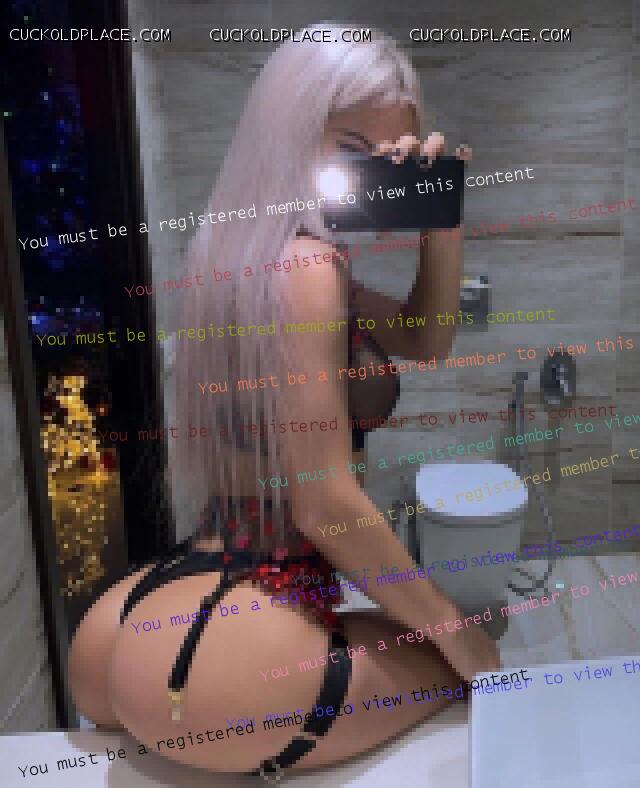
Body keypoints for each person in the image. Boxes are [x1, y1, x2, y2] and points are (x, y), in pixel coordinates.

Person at [68, 22, 500, 780]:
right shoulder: (307, 268)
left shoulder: (240, 255)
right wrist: (465, 642)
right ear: (291, 135)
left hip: (140, 619)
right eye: (351, 149)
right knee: (469, 649)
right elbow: (325, 505)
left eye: (391, 158)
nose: (371, 175)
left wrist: (442, 222)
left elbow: (423, 337)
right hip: (235, 649)